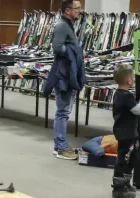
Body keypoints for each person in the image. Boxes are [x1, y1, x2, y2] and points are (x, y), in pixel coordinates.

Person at [44, 0, 85, 160]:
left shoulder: (68, 25)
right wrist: (75, 51)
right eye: (77, 8)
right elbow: (57, 48)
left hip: (69, 73)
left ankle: (60, 146)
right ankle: (61, 148)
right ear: (68, 11)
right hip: (64, 75)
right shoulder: (62, 26)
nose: (80, 11)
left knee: (64, 111)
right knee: (62, 112)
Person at [110, 64, 140, 198]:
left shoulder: (118, 94)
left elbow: (128, 112)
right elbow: (137, 109)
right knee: (124, 158)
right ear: (129, 81)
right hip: (126, 133)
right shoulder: (126, 96)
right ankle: (119, 187)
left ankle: (125, 182)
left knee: (131, 157)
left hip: (127, 131)